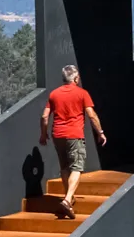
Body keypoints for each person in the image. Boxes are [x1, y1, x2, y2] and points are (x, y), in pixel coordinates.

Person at [40, 64, 106, 218]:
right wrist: (100, 132)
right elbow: (92, 115)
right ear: (76, 78)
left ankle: (68, 197)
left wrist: (43, 134)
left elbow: (44, 117)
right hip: (74, 135)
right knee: (76, 168)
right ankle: (68, 199)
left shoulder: (54, 94)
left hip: (57, 135)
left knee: (64, 167)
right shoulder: (82, 93)